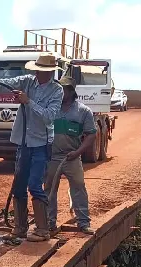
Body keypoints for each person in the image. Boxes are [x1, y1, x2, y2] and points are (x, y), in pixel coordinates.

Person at [0, 52, 63, 243]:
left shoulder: (56, 91)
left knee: (35, 185)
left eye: (42, 71)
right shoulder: (28, 81)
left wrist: (29, 102)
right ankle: (20, 227)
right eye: (37, 71)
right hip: (23, 142)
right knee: (18, 186)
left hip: (40, 143)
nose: (38, 74)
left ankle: (43, 229)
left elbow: (49, 116)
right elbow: (6, 82)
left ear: (50, 72)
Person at [45, 76, 96, 236]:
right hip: (52, 157)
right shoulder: (51, 109)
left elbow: (91, 135)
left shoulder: (83, 111)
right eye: (60, 89)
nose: (62, 92)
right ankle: (48, 222)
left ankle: (83, 223)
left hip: (72, 157)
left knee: (78, 187)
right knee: (49, 190)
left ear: (72, 91)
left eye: (65, 89)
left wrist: (78, 152)